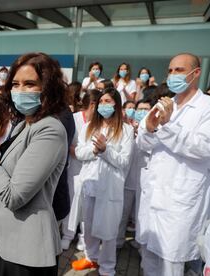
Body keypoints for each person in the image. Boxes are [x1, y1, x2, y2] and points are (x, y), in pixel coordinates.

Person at [0, 52, 68, 275]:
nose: (20, 91)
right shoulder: (23, 125)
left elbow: (14, 196)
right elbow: (3, 176)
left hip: (27, 249)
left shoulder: (50, 129)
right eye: (16, 84)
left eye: (30, 84)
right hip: (2, 237)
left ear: (48, 88)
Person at [136, 53, 210, 276]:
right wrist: (151, 129)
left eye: (179, 70)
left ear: (196, 73)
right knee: (148, 260)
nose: (172, 75)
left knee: (170, 265)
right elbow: (142, 143)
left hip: (180, 201)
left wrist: (168, 125)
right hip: (153, 196)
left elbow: (204, 148)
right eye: (170, 71)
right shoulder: (165, 104)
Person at [71, 88, 133, 275]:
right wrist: (95, 151)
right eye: (101, 102)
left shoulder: (126, 129)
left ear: (116, 104)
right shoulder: (89, 127)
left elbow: (124, 161)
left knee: (108, 230)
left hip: (111, 188)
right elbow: (80, 153)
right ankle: (91, 258)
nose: (104, 105)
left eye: (108, 101)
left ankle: (107, 267)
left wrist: (106, 150)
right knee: (88, 225)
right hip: (90, 184)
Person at [63, 89, 102, 251]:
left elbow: (99, 148)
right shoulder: (74, 119)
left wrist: (85, 153)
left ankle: (83, 239)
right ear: (93, 105)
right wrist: (81, 153)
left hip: (92, 170)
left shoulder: (100, 122)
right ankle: (67, 235)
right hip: (74, 168)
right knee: (72, 203)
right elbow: (67, 144)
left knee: (88, 206)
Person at [116, 98, 153, 249]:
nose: (143, 112)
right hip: (127, 180)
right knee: (122, 215)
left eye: (146, 109)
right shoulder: (126, 128)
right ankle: (117, 242)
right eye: (140, 109)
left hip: (145, 182)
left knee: (141, 216)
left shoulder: (155, 129)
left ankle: (140, 244)